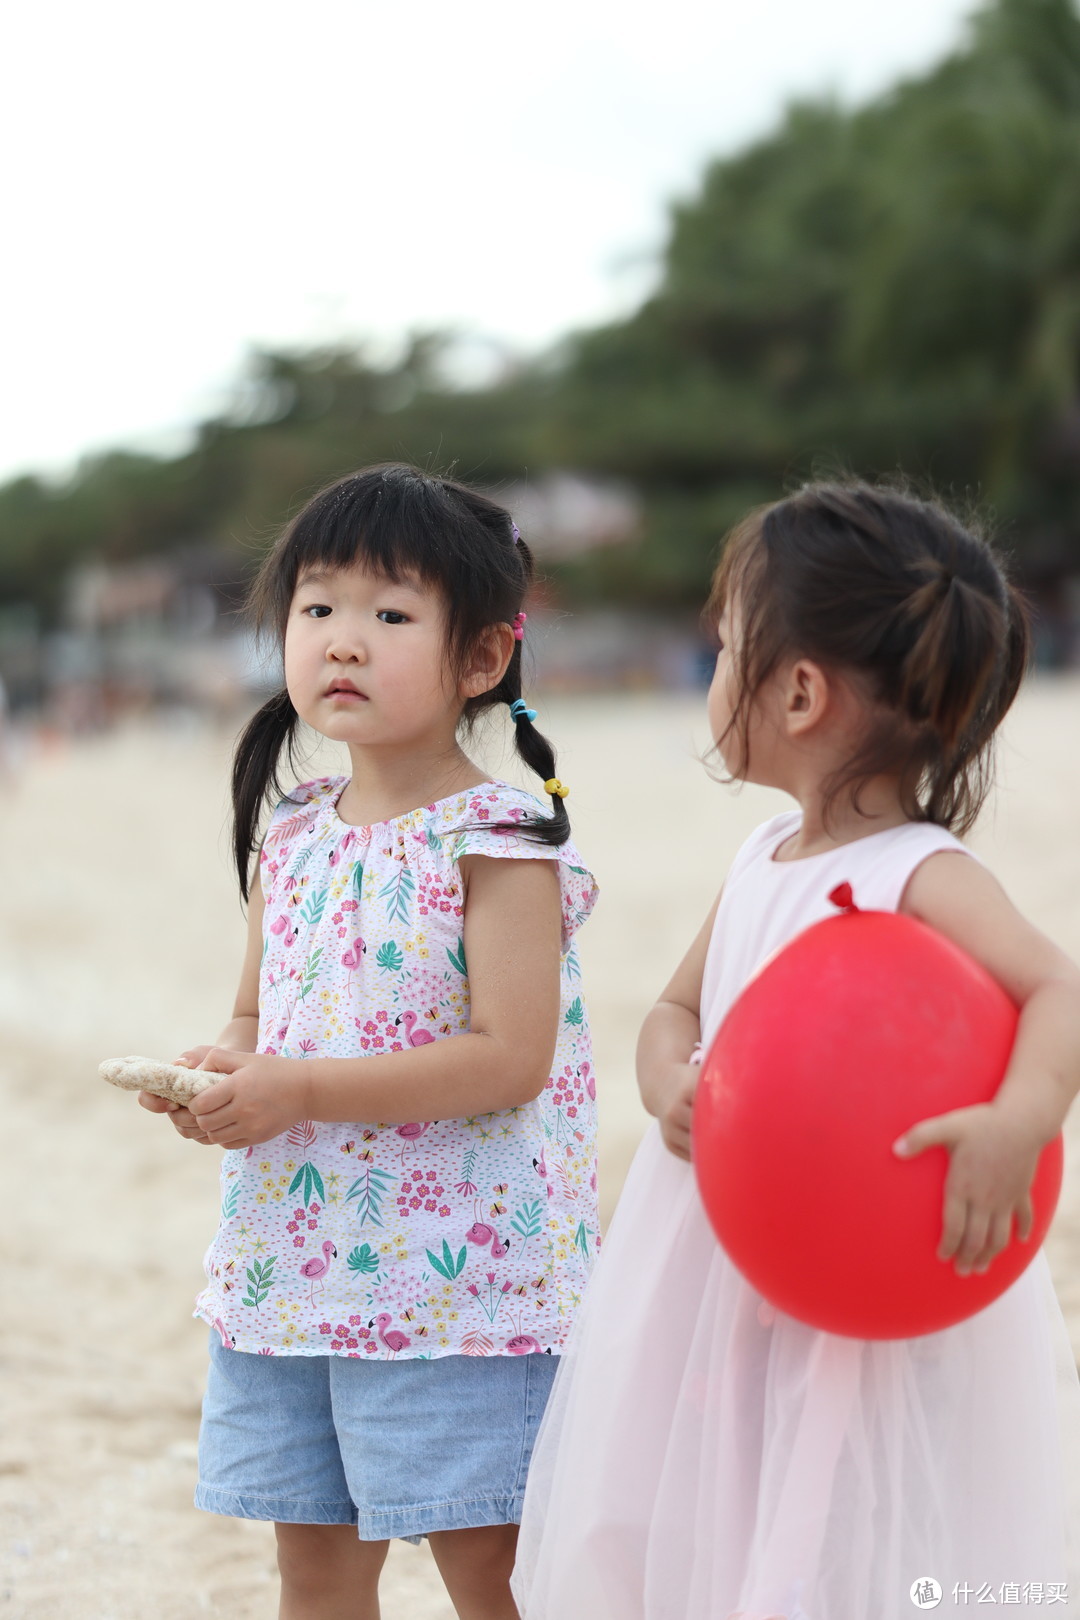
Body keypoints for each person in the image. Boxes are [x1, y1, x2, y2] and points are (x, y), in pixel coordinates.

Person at [512, 483, 1080, 1620]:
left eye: (726, 645)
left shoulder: (920, 872)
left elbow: (1060, 987)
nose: (712, 669)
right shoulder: (763, 856)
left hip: (871, 1262)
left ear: (801, 691)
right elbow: (674, 1012)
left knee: (855, 1507)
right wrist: (673, 1084)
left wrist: (1018, 1123)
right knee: (721, 1481)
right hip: (726, 1246)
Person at [138, 464, 599, 1620]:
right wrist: (225, 1078)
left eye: (390, 615)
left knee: (489, 1567)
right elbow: (260, 1021)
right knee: (316, 1569)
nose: (343, 641)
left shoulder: (497, 844)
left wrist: (300, 1090)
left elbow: (511, 1057)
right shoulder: (289, 837)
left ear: (482, 659)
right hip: (295, 1264)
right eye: (317, 607)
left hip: (457, 1280)